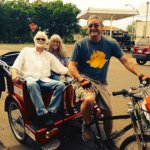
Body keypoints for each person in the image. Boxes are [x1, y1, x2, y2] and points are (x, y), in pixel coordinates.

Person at [68, 15, 149, 143]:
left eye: (96, 25)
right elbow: (71, 66)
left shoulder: (111, 43)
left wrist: (140, 74)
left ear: (102, 27)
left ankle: (108, 139)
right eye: (90, 26)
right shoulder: (80, 44)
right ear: (87, 29)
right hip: (84, 80)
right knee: (89, 99)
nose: (93, 28)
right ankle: (86, 124)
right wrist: (80, 79)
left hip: (101, 83)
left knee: (108, 113)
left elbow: (126, 61)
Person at [11, 31, 68, 126]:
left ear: (46, 42)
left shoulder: (49, 55)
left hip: (44, 80)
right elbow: (16, 65)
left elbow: (61, 68)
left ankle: (51, 111)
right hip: (29, 79)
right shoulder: (26, 51)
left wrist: (76, 74)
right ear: (34, 40)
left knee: (60, 85)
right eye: (38, 38)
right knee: (32, 83)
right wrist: (14, 74)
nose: (40, 40)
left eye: (43, 39)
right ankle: (42, 114)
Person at [48, 34, 77, 116]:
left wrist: (71, 73)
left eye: (57, 42)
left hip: (64, 73)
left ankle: (71, 105)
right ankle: (63, 107)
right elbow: (49, 67)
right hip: (53, 74)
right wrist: (62, 74)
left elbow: (67, 64)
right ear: (50, 43)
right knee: (63, 83)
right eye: (53, 41)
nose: (55, 43)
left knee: (70, 83)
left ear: (60, 43)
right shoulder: (48, 53)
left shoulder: (62, 52)